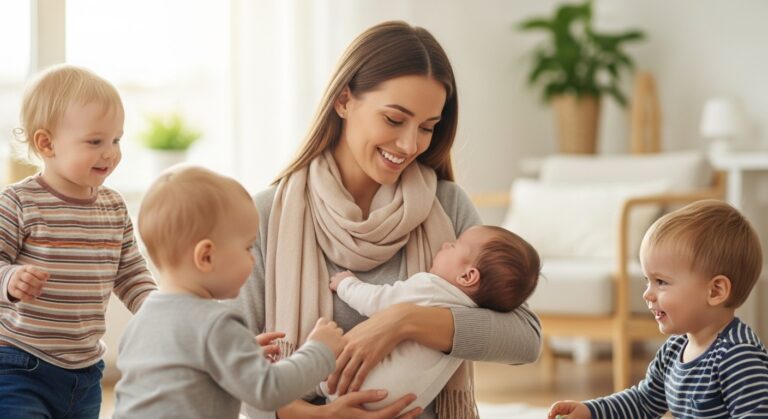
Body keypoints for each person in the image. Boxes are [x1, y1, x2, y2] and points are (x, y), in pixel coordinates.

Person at [231, 20, 542, 419]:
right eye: (395, 120)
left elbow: (525, 338)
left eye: (428, 127)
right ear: (344, 100)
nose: (410, 144)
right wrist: (321, 416)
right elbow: (228, 370)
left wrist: (403, 319)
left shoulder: (446, 205)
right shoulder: (265, 216)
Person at [113, 166, 345, 418]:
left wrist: (237, 353)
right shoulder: (217, 323)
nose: (253, 259)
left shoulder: (142, 320)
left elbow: (178, 375)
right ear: (207, 256)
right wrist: (319, 351)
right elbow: (268, 390)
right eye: (247, 247)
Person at [0, 64, 157, 418]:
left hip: (85, 371)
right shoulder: (19, 202)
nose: (110, 152)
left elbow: (130, 271)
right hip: (20, 363)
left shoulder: (114, 206)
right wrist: (10, 278)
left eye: (116, 140)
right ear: (46, 143)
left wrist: (158, 309)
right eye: (95, 141)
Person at [548, 199, 768, 419]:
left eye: (661, 282)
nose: (647, 294)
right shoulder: (674, 349)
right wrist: (590, 411)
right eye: (647, 280)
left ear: (715, 291)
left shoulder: (738, 355)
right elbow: (643, 402)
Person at [321, 225, 541, 415]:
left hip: (352, 386)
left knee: (322, 347)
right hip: (399, 406)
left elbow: (376, 301)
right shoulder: (472, 309)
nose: (445, 244)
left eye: (454, 245)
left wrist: (346, 284)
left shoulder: (430, 287)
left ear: (467, 276)